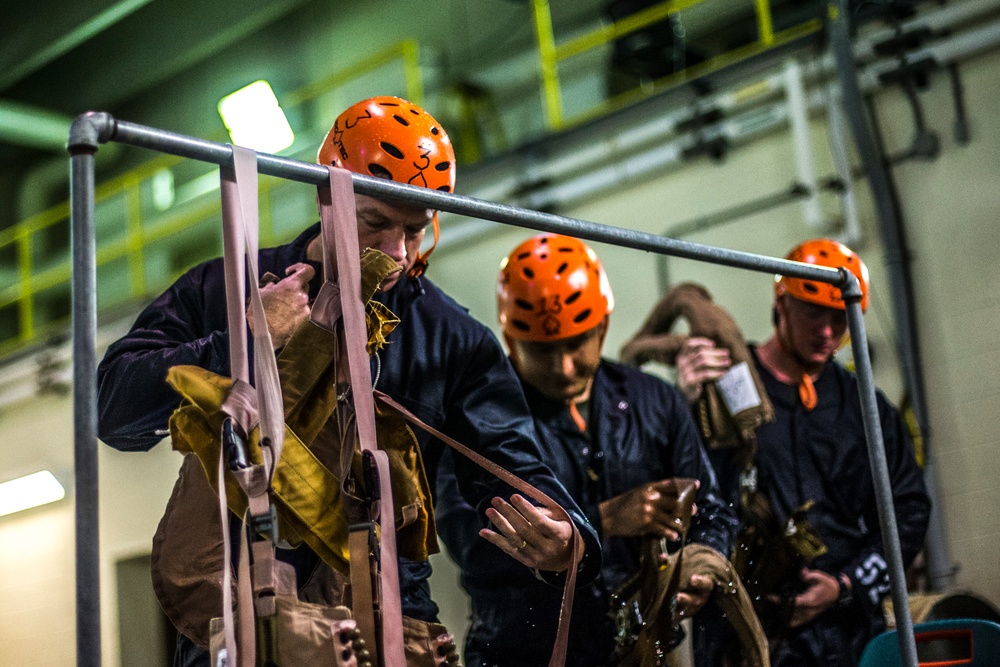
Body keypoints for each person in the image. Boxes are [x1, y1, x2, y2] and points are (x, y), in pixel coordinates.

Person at [96, 96, 602, 665]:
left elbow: (515, 464)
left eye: (415, 229)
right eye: (374, 222)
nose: (397, 251)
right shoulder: (223, 291)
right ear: (323, 194)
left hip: (390, 622)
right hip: (252, 612)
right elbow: (114, 412)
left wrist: (571, 534)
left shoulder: (454, 340)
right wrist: (244, 338)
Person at [434, 233, 740, 667]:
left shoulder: (655, 401)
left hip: (639, 649)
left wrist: (702, 563)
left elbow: (713, 510)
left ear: (603, 327)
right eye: (542, 351)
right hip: (523, 653)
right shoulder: (478, 421)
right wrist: (603, 521)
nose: (563, 367)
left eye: (576, 343)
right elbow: (473, 547)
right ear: (509, 339)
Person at [674, 238, 931, 666]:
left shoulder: (864, 405)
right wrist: (685, 405)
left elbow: (909, 510)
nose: (828, 332)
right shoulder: (726, 384)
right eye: (814, 313)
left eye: (841, 318)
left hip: (844, 633)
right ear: (782, 302)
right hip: (740, 627)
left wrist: (847, 585)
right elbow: (689, 487)